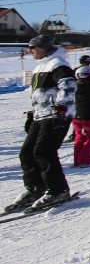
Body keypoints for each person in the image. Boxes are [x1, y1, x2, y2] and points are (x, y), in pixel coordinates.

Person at [5, 35, 76, 212]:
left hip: (56, 115)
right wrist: (33, 112)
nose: (30, 51)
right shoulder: (41, 66)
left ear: (44, 48)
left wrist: (61, 109)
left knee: (44, 152)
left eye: (33, 47)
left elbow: (68, 87)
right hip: (41, 115)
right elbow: (42, 93)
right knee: (26, 153)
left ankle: (58, 190)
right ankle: (37, 188)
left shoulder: (58, 64)